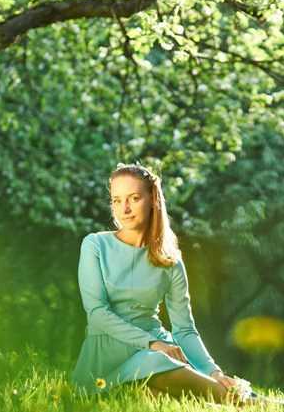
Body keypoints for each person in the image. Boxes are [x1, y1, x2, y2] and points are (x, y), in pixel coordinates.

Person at [69, 162, 249, 405]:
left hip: (159, 349)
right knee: (154, 366)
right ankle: (250, 404)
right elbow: (97, 312)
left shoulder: (169, 260)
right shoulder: (95, 245)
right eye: (116, 200)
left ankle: (242, 399)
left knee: (159, 394)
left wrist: (213, 372)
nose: (125, 209)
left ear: (152, 199)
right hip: (110, 353)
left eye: (134, 198)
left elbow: (184, 329)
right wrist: (152, 344)